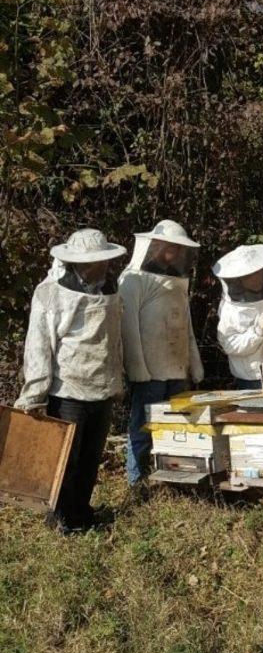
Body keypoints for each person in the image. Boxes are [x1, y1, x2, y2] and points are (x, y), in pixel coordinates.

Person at [14, 228, 126, 533]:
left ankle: (81, 513)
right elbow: (38, 344)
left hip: (101, 387)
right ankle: (62, 518)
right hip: (68, 391)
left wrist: (117, 380)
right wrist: (34, 393)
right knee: (67, 461)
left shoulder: (110, 289)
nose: (100, 267)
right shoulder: (51, 292)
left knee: (90, 458)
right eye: (93, 262)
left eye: (102, 262)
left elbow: (113, 339)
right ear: (77, 262)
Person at [119, 219, 204, 486]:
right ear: (155, 246)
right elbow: (128, 326)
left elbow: (185, 325)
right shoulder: (133, 280)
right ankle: (137, 479)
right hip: (150, 372)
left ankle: (175, 476)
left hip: (176, 367)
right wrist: (137, 368)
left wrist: (194, 363)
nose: (175, 254)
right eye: (170, 247)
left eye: (179, 249)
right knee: (144, 425)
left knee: (178, 425)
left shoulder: (177, 282)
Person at [213, 244, 263, 389]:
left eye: (258, 272)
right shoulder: (231, 309)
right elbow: (229, 344)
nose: (256, 278)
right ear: (239, 279)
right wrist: (257, 332)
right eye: (249, 276)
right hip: (252, 377)